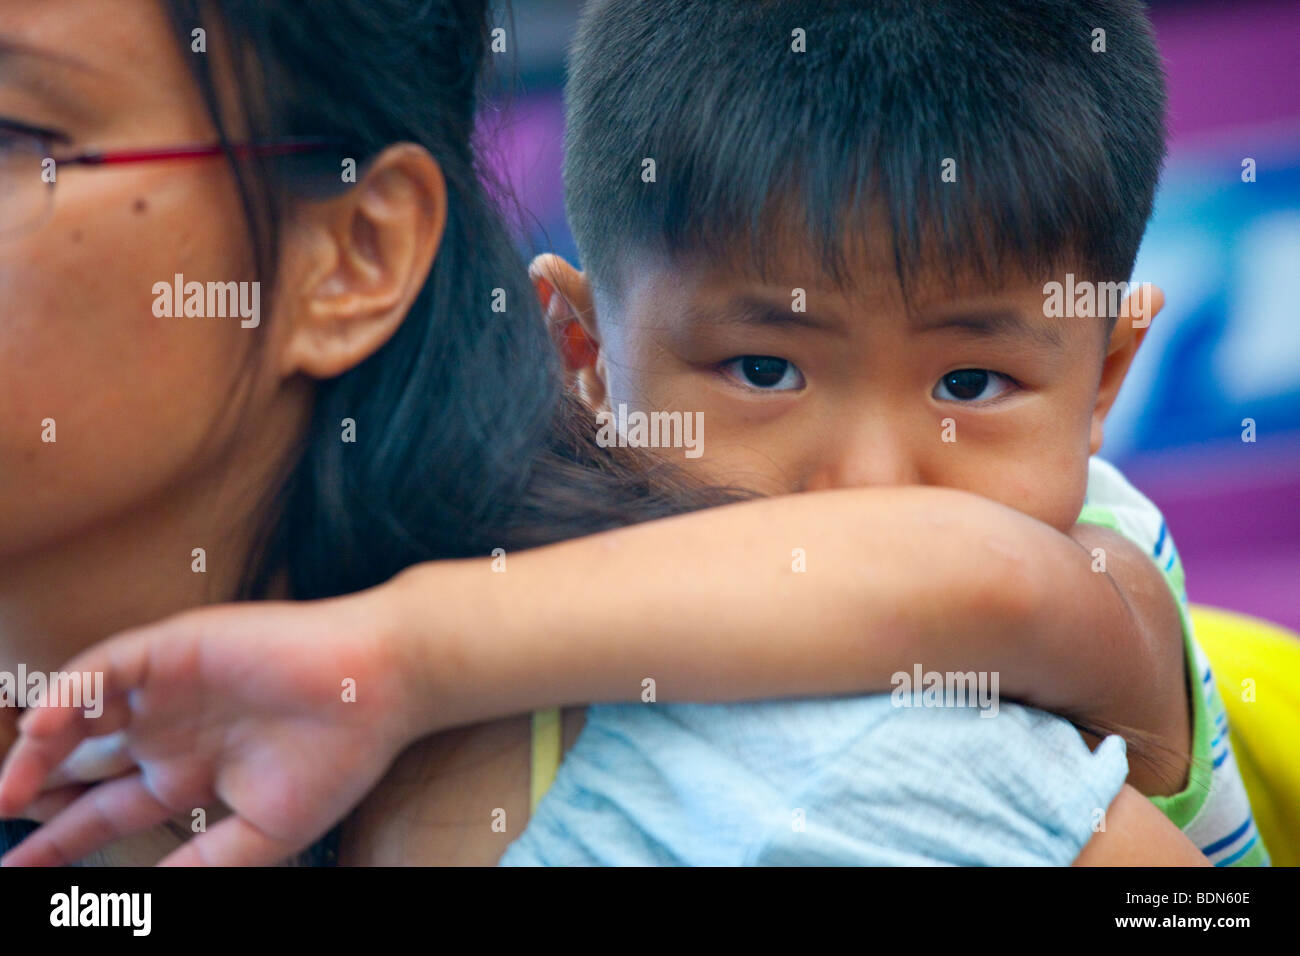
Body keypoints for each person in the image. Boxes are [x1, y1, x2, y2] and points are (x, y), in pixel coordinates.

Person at [0, 0, 1210, 866]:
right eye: (763, 367)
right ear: (580, 349)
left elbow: (982, 585)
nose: (864, 482)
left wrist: (397, 656)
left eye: (971, 383)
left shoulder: (1104, 553)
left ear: (1104, 372)